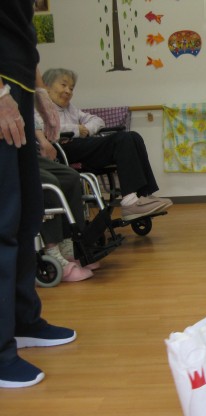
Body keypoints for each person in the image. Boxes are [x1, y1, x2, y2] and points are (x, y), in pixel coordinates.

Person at [0, 0, 77, 388]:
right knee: (2, 222)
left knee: (27, 214)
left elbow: (21, 33)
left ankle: (23, 322)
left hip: (17, 85)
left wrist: (41, 92)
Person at [39, 68, 172, 221]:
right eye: (64, 85)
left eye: (71, 88)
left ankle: (143, 196)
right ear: (47, 86)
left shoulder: (70, 108)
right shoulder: (39, 106)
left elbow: (98, 121)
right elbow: (41, 128)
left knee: (134, 137)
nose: (68, 91)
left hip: (80, 147)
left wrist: (87, 129)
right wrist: (76, 129)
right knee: (122, 139)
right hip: (61, 149)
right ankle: (129, 202)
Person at [37, 127, 96, 282]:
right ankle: (52, 253)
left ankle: (68, 248)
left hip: (24, 149)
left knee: (71, 177)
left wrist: (42, 140)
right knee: (49, 182)